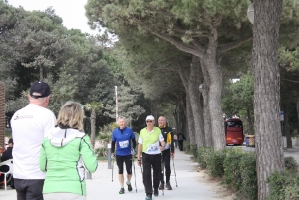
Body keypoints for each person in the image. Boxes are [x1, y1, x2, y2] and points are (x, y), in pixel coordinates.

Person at [40, 101, 98, 200]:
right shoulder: (82, 138)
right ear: (79, 117)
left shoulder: (47, 139)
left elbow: (43, 167)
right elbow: (91, 167)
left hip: (50, 189)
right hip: (74, 189)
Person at [11, 81, 56, 200]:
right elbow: (51, 144)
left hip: (18, 173)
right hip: (37, 174)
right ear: (48, 98)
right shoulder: (47, 115)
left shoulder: (16, 115)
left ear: (28, 96)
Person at [137, 115, 166, 200]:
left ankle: (156, 187)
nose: (149, 123)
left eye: (150, 121)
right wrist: (139, 158)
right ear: (146, 122)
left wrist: (162, 146)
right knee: (146, 174)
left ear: (154, 122)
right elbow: (140, 145)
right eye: (147, 121)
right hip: (146, 155)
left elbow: (162, 141)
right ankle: (148, 193)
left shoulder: (157, 130)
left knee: (157, 173)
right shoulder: (142, 131)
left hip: (156, 155)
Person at [111, 116, 137, 194]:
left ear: (125, 123)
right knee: (120, 171)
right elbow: (113, 143)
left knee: (129, 171)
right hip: (119, 154)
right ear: (118, 123)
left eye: (123, 122)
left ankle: (128, 182)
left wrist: (134, 149)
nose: (121, 123)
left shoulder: (129, 130)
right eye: (120, 122)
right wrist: (112, 152)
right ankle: (122, 187)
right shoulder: (115, 131)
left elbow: (134, 141)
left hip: (128, 154)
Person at [158, 116, 174, 191]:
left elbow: (171, 141)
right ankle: (162, 182)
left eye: (162, 120)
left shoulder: (169, 129)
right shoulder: (156, 129)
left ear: (165, 121)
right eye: (159, 120)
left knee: (167, 166)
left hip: (166, 151)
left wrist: (172, 151)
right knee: (160, 168)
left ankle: (167, 182)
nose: (160, 121)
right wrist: (159, 148)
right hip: (158, 152)